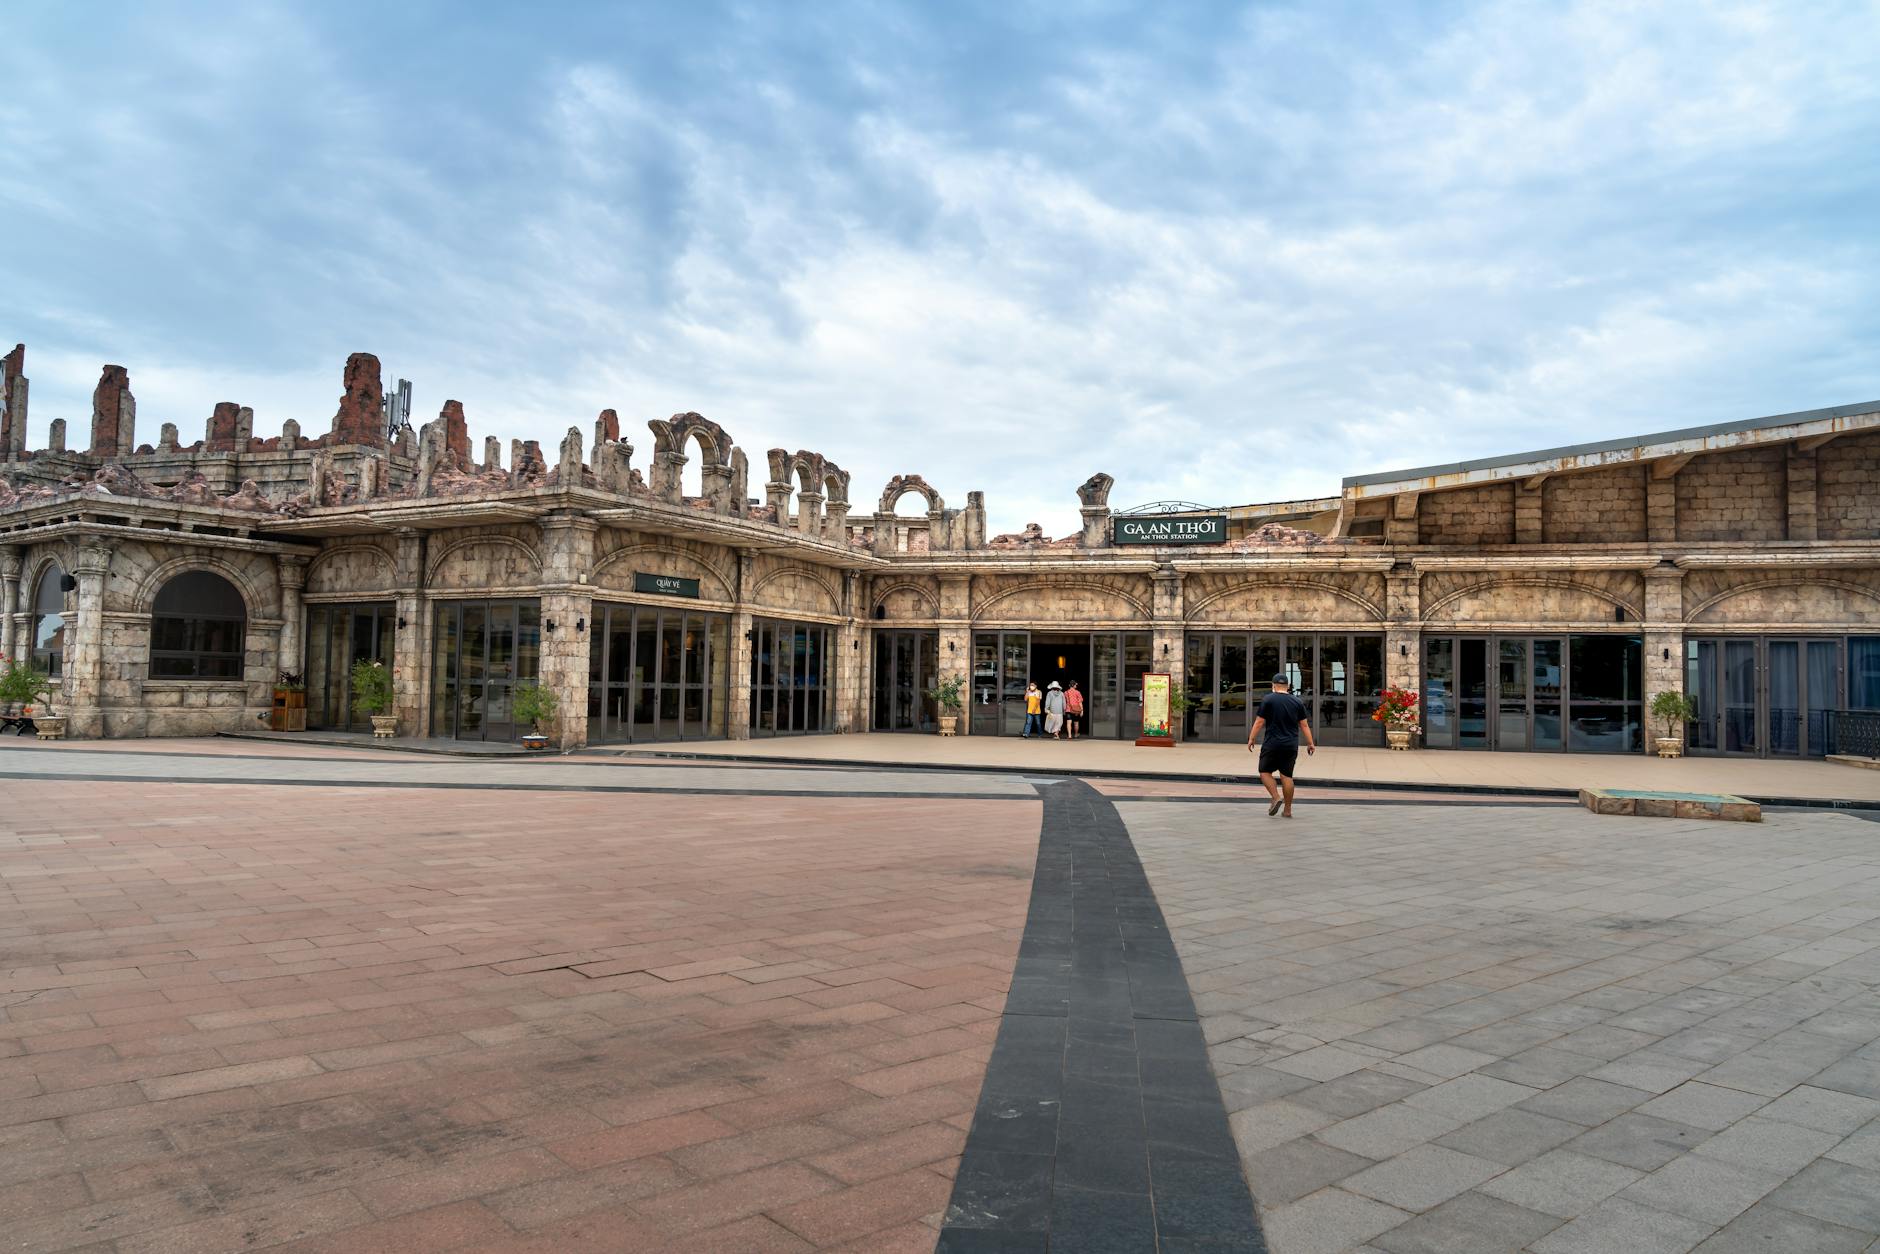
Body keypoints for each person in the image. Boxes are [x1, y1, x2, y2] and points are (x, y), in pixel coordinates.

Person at [1248, 671, 1315, 818]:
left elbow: (1259, 721)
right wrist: (1310, 743)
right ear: (1288, 686)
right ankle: (1288, 810)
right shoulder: (1297, 702)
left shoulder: (1268, 699)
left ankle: (1276, 797)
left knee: (1265, 772)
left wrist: (1251, 738)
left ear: (1273, 685)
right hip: (1290, 745)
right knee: (1287, 776)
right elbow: (1304, 725)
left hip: (1272, 743)